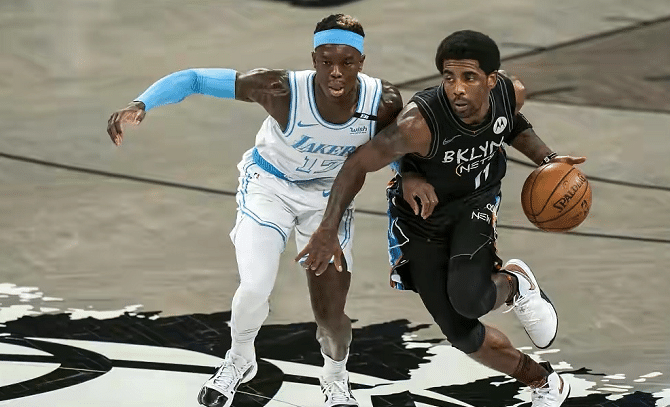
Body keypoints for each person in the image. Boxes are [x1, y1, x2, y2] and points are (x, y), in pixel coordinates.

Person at [106, 14, 402, 407]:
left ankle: (335, 377)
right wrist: (142, 102)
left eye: (347, 62)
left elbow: (399, 147)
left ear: (361, 62)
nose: (335, 72)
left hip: (329, 198)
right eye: (326, 61)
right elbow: (194, 79)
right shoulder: (279, 89)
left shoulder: (382, 102)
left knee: (331, 316)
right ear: (313, 59)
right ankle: (240, 359)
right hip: (270, 186)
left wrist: (410, 177)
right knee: (255, 286)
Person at [298, 30, 586, 407]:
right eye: (449, 77)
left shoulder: (510, 92)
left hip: (475, 203)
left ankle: (515, 284)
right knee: (461, 334)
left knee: (469, 299)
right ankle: (545, 381)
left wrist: (547, 160)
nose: (457, 89)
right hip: (421, 219)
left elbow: (511, 123)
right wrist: (328, 228)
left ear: (491, 80)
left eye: (469, 77)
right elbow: (357, 165)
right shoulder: (420, 122)